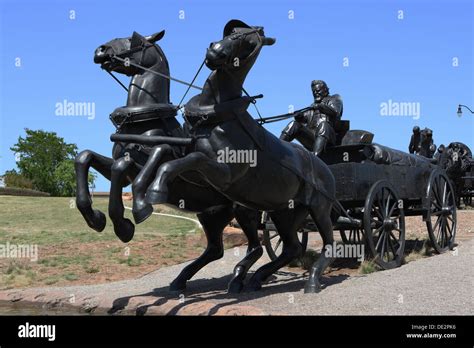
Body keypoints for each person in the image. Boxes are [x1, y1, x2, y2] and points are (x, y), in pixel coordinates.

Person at [280, 80, 343, 156]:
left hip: (329, 138)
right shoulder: (312, 106)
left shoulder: (335, 98)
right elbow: (304, 121)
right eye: (314, 92)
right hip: (312, 137)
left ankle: (315, 158)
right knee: (294, 124)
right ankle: (278, 147)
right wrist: (299, 117)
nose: (315, 93)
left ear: (325, 90)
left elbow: (335, 112)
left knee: (324, 125)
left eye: (318, 90)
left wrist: (320, 107)